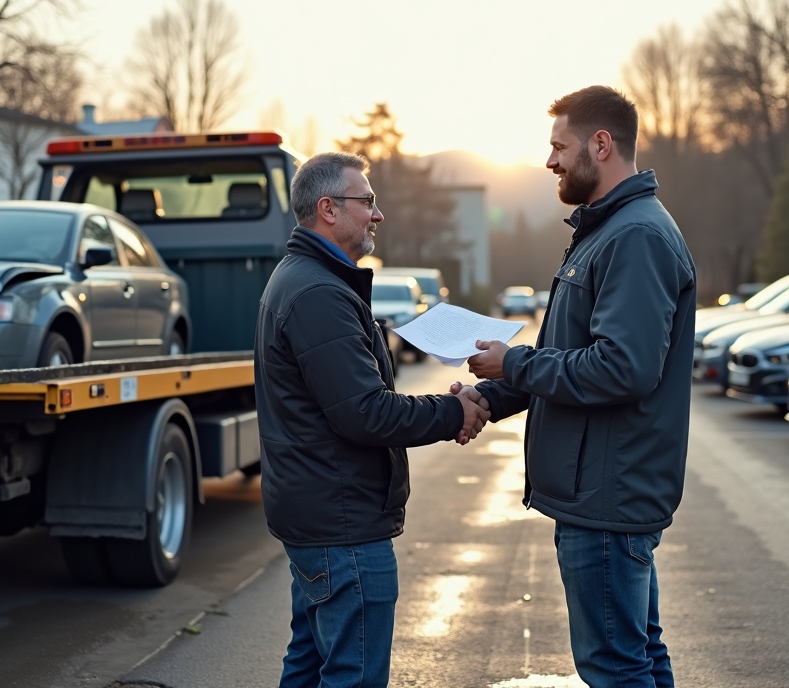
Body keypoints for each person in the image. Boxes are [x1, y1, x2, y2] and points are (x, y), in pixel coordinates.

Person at [466, 86, 696, 688]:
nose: (549, 162)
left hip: (607, 496)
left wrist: (513, 366)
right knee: (638, 655)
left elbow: (622, 368)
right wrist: (489, 397)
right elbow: (567, 358)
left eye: (558, 146)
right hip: (602, 492)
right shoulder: (607, 230)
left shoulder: (635, 236)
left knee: (615, 667)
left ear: (601, 143)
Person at [254, 151, 489, 688]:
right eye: (369, 202)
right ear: (328, 209)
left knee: (310, 667)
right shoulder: (317, 292)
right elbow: (365, 412)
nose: (377, 215)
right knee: (351, 675)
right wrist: (454, 410)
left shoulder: (308, 279)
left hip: (321, 516)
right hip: (342, 526)